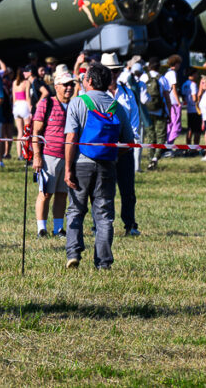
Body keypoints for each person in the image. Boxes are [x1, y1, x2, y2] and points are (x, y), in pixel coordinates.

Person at [63, 62, 136, 270]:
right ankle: (103, 262)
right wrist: (112, 154)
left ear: (90, 81)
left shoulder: (78, 102)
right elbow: (128, 142)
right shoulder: (117, 107)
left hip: (81, 164)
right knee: (104, 215)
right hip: (107, 166)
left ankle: (73, 252)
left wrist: (68, 169)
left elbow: (71, 138)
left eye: (84, 78)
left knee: (75, 210)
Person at [31, 64, 76, 238]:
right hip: (49, 155)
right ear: (56, 86)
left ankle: (58, 228)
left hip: (68, 156)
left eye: (71, 84)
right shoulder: (46, 103)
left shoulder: (74, 104)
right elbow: (36, 132)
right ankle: (41, 228)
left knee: (62, 194)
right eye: (65, 85)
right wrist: (37, 156)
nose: (69, 88)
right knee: (46, 193)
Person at [104, 53, 141, 236]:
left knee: (128, 191)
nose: (113, 75)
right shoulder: (95, 94)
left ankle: (130, 224)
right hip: (104, 149)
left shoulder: (127, 93)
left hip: (125, 149)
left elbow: (134, 120)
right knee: (103, 191)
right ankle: (102, 225)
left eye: (116, 71)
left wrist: (129, 142)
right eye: (110, 71)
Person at [139, 58, 168, 169]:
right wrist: (169, 111)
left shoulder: (143, 77)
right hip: (159, 111)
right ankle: (156, 157)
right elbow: (166, 97)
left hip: (146, 111)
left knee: (150, 136)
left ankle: (150, 159)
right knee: (160, 136)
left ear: (149, 66)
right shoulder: (163, 79)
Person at [163, 55, 182, 156]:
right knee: (176, 125)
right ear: (176, 64)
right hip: (174, 102)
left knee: (169, 125)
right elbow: (174, 88)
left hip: (168, 102)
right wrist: (179, 102)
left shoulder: (166, 73)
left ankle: (167, 146)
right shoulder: (173, 74)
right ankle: (169, 145)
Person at [182, 70, 202, 153]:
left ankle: (188, 147)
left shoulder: (184, 84)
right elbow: (194, 98)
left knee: (190, 129)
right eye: (196, 73)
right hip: (195, 109)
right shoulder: (193, 84)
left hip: (189, 109)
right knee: (197, 130)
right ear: (192, 74)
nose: (197, 75)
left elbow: (183, 96)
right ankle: (195, 148)